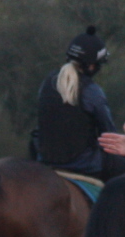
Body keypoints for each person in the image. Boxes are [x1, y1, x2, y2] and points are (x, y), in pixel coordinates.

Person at [35, 26, 120, 179]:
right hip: (85, 165)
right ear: (92, 66)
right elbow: (109, 135)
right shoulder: (92, 91)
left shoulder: (47, 83)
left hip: (45, 161)